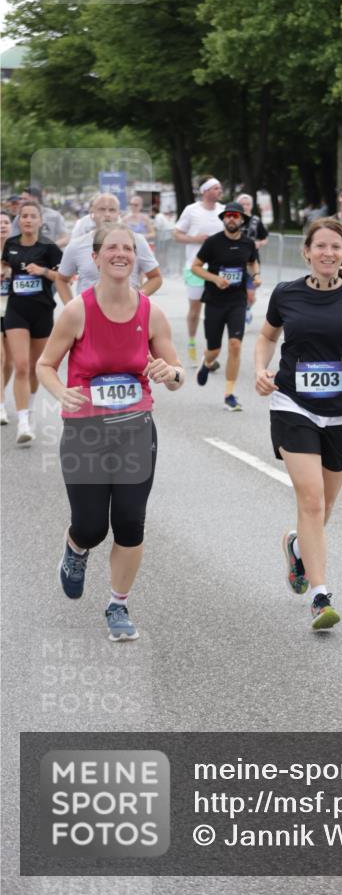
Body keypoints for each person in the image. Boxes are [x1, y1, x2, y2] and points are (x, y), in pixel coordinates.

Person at [36, 225, 185, 641]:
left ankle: (118, 604)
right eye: (112, 248)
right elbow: (45, 365)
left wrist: (170, 372)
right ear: (96, 258)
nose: (121, 253)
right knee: (91, 527)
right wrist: (60, 392)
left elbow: (176, 374)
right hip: (85, 430)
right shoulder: (77, 311)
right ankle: (76, 548)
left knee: (130, 522)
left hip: (136, 428)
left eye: (129, 248)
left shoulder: (150, 312)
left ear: (136, 258)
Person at [255, 218, 342, 630]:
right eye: (321, 247)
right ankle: (320, 594)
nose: (328, 254)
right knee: (311, 501)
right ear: (307, 251)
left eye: (336, 247)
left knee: (325, 506)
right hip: (293, 404)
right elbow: (266, 336)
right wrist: (261, 369)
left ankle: (296, 545)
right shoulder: (286, 293)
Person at [1, 200, 68, 444]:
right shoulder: (11, 244)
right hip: (16, 311)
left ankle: (28, 407)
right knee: (20, 365)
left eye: (32, 216)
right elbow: (5, 263)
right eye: (24, 216)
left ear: (40, 221)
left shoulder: (49, 248)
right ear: (20, 220)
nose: (28, 219)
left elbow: (64, 278)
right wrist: (3, 270)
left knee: (35, 366)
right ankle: (23, 422)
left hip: (42, 312)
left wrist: (43, 272)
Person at [190, 201, 260, 411]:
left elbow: (252, 262)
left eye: (235, 216)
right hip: (214, 301)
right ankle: (207, 362)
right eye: (228, 215)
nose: (231, 218)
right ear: (223, 219)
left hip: (237, 301)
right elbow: (195, 267)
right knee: (214, 349)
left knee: (235, 345)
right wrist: (214, 278)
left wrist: (256, 276)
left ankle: (229, 394)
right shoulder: (212, 242)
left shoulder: (248, 244)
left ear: (241, 220)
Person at [173, 176, 224, 364]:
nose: (220, 191)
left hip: (218, 270)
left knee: (215, 311)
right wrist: (195, 239)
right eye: (216, 188)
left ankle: (209, 351)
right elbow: (176, 234)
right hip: (195, 268)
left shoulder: (224, 211)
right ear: (205, 191)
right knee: (195, 309)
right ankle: (192, 341)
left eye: (220, 188)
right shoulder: (191, 210)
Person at [236, 192, 269, 323]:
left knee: (250, 295)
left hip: (252, 261)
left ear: (251, 205)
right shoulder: (233, 219)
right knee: (236, 293)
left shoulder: (256, 221)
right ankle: (236, 313)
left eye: (247, 204)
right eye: (242, 204)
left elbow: (265, 237)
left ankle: (247, 308)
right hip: (235, 261)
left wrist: (259, 243)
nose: (245, 206)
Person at [0, 211, 15, 425]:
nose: (2, 225)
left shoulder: (18, 250)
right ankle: (1, 406)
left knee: (11, 361)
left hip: (14, 310)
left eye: (5, 222)